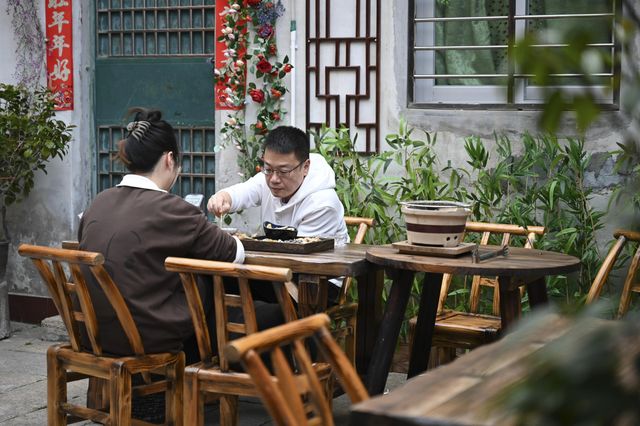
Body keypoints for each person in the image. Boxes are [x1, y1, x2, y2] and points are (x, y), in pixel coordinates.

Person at [77, 107, 246, 363]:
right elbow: (235, 255)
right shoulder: (175, 210)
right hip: (144, 335)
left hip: (90, 331)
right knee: (211, 288)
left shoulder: (99, 202)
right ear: (169, 159)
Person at [207, 125, 349, 244]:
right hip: (277, 265)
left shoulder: (322, 204)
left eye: (284, 171)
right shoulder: (266, 180)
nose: (274, 179)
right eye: (268, 169)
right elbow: (241, 192)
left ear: (305, 167)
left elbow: (303, 254)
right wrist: (223, 198)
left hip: (319, 273)